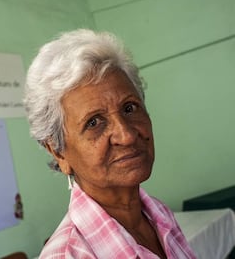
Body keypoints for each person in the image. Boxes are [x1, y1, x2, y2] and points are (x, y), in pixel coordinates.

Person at [23, 29, 196, 258]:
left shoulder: (159, 215)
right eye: (94, 122)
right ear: (58, 152)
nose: (126, 135)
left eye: (129, 108)